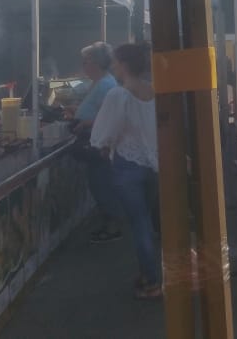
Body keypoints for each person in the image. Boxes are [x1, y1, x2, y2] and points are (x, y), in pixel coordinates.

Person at [91, 42, 160, 300]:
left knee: (139, 224)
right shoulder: (154, 91)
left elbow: (104, 133)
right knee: (145, 222)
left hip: (127, 166)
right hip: (153, 165)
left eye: (116, 62)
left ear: (124, 65)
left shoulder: (118, 95)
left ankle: (152, 280)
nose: (114, 67)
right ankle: (147, 274)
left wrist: (101, 146)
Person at [67, 42, 124, 244]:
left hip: (99, 143)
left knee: (102, 185)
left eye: (86, 61)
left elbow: (107, 117)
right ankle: (108, 224)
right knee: (98, 184)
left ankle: (113, 227)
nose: (83, 66)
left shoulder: (106, 85)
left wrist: (84, 123)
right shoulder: (100, 83)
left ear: (97, 63)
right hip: (95, 140)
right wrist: (78, 112)